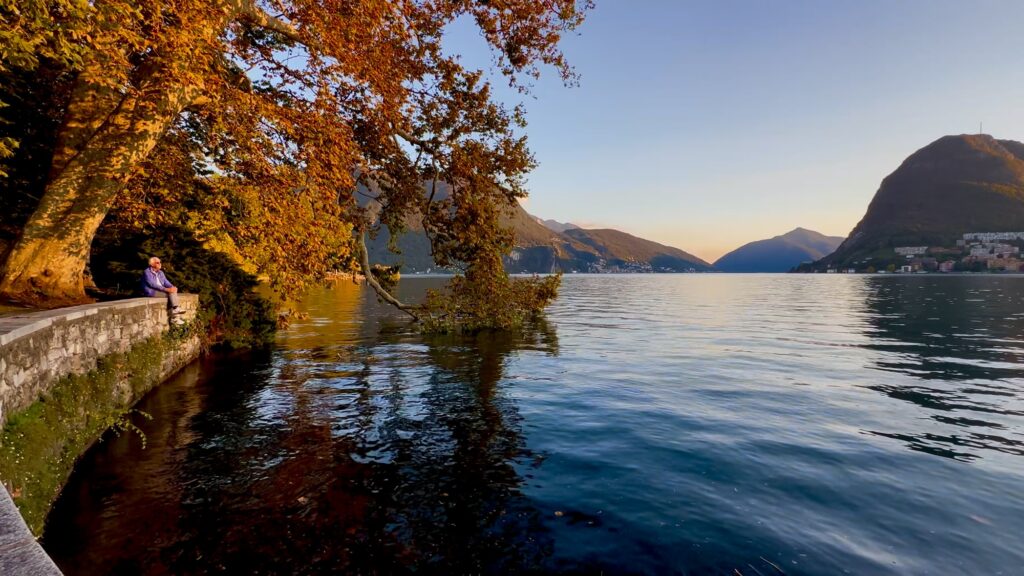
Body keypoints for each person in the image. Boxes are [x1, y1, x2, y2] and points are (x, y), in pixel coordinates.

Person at [141, 256, 183, 321]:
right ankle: (175, 314)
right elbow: (152, 284)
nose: (160, 264)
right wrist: (166, 289)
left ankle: (175, 314)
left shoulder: (160, 272)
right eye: (157, 262)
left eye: (160, 262)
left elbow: (166, 282)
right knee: (171, 294)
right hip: (151, 291)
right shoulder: (147, 272)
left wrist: (172, 287)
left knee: (172, 292)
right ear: (152, 264)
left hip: (161, 290)